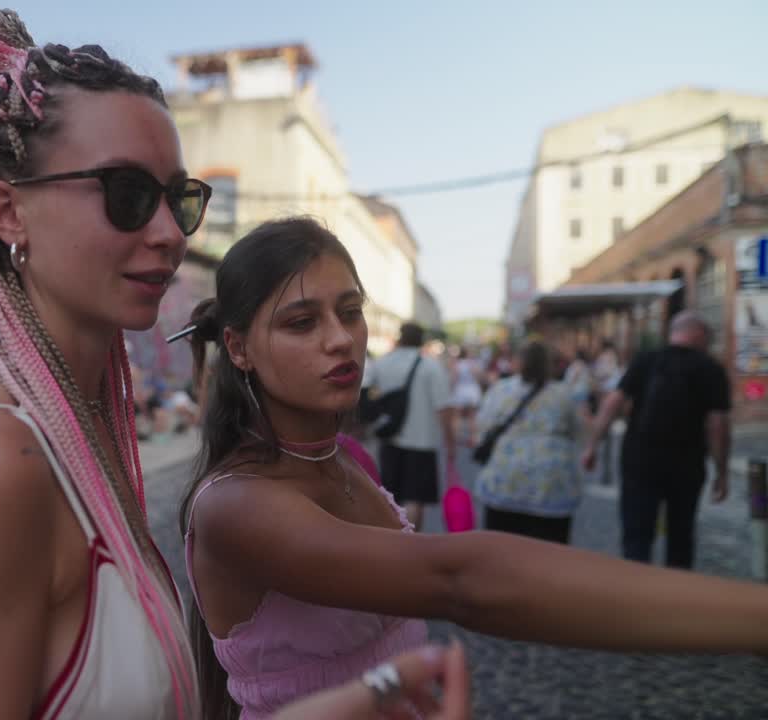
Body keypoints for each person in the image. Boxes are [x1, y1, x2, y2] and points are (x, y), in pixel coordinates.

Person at [0, 7, 468, 719]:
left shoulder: (77, 428)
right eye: (127, 196)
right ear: (9, 211)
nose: (167, 232)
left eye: (180, 199)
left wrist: (366, 694)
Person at [181, 217, 768, 719]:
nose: (341, 340)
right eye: (301, 322)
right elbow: (460, 580)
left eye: (351, 311)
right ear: (238, 348)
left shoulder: (345, 458)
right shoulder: (237, 504)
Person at [582, 311, 731, 568]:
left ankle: (637, 596)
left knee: (637, 536)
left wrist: (592, 445)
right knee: (680, 536)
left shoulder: (646, 360)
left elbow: (612, 403)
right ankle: (675, 598)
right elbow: (718, 425)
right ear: (699, 335)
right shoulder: (711, 368)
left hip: (640, 459)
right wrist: (721, 471)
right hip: (686, 462)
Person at [474, 340, 584, 543]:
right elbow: (578, 431)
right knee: (549, 550)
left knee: (502, 548)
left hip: (505, 481)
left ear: (519, 362)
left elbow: (483, 425)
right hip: (551, 485)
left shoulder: (501, 390)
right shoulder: (562, 394)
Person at [365, 322, 455, 530]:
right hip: (422, 441)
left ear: (400, 338)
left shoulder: (382, 363)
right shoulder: (431, 366)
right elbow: (444, 409)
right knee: (415, 497)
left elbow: (368, 396)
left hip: (390, 437)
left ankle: (393, 540)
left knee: (391, 496)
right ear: (421, 339)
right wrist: (450, 444)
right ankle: (413, 542)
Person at [450, 347, 483, 443]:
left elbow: (454, 379)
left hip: (460, 391)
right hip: (472, 391)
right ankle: (473, 437)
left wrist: (451, 390)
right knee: (472, 417)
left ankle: (455, 437)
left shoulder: (457, 364)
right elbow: (478, 377)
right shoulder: (472, 364)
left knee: (457, 416)